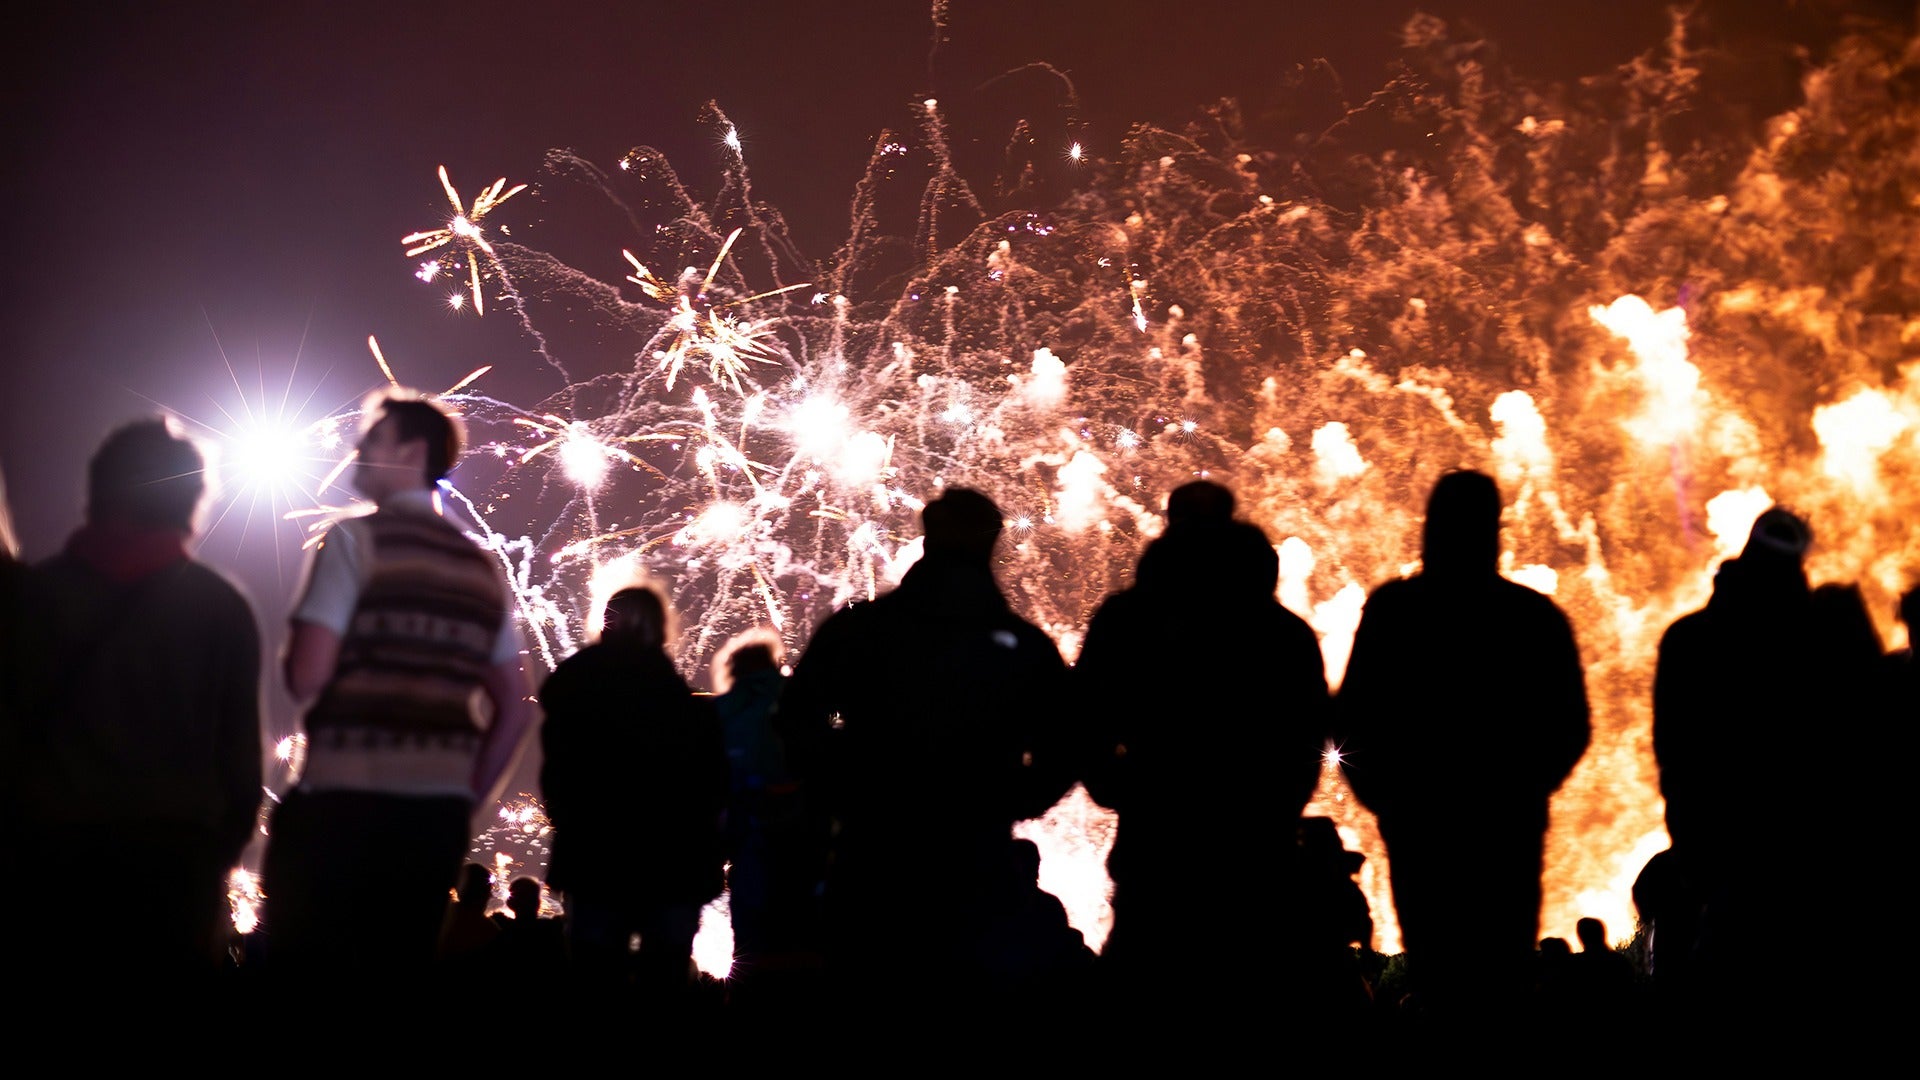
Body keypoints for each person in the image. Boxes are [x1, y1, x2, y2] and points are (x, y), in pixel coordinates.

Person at [263, 391, 532, 976]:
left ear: (411, 451)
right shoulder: (481, 568)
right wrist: (464, 800)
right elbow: (514, 707)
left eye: (373, 439)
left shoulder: (356, 540)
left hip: (341, 808)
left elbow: (306, 676)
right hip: (431, 825)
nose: (357, 450)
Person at [776, 487, 1074, 1001]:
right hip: (976, 864)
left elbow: (795, 720)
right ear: (991, 543)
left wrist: (842, 787)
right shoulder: (1022, 645)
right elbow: (1069, 742)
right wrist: (1016, 798)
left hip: (872, 864)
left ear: (927, 538)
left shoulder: (860, 629)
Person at [15, 418, 264, 981]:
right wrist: (208, 865)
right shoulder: (221, 608)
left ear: (96, 494)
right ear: (193, 503)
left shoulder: (28, 599)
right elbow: (242, 773)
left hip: (45, 869)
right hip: (172, 875)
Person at [1338, 469, 1591, 1020]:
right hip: (1506, 829)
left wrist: (1389, 800)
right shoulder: (1532, 616)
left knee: (1439, 976)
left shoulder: (1395, 611)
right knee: (1502, 979)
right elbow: (1571, 725)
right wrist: (1523, 790)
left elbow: (1351, 717)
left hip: (1420, 827)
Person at [1073, 480, 1330, 1000]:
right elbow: (1308, 744)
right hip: (1256, 857)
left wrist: (1123, 788)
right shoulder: (1283, 633)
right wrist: (1276, 808)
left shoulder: (1127, 622)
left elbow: (1083, 722)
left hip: (1157, 849)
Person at [1653, 508, 1876, 1005]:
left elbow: (1676, 762)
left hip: (1765, 869)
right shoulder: (1821, 637)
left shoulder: (1691, 640)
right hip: (1794, 871)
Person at [539, 583, 728, 994]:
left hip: (594, 858)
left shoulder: (571, 695)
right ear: (662, 630)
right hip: (673, 863)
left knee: (594, 979)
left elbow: (556, 781)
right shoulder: (689, 710)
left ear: (606, 627)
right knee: (665, 981)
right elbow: (712, 790)